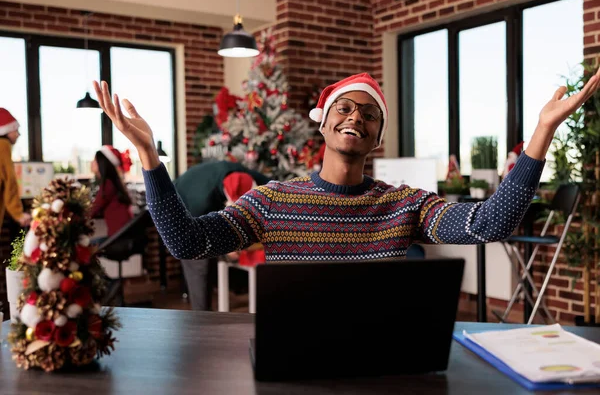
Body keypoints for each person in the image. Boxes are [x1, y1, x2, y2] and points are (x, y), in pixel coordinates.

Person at [92, 68, 600, 264]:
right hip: (295, 358)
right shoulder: (272, 201)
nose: (356, 115)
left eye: (370, 113)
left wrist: (542, 133)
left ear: (376, 138)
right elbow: (185, 242)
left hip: (387, 358)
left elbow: (490, 224)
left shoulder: (405, 204)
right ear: (324, 125)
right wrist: (149, 158)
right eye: (344, 107)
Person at [174, 161, 270, 310]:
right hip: (182, 205)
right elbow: (198, 232)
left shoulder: (258, 179)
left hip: (211, 193)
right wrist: (228, 247)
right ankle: (201, 317)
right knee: (199, 264)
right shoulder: (201, 201)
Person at [90, 145, 133, 243]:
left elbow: (94, 209)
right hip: (123, 236)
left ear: (102, 163)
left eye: (95, 160)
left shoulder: (108, 185)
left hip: (117, 239)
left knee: (86, 247)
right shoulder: (113, 183)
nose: (92, 163)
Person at [0, 108, 31, 229]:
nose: (18, 134)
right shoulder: (3, 145)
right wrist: (18, 213)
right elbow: (9, 180)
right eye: (15, 130)